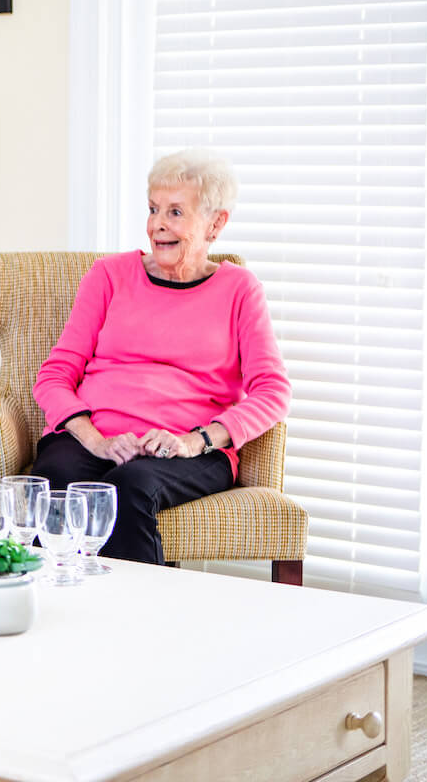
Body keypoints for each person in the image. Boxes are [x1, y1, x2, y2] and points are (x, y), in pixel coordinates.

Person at [30, 148, 291, 564]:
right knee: (55, 480)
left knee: (129, 486)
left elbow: (273, 391)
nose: (158, 226)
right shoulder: (109, 277)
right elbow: (55, 375)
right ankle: (50, 611)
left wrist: (197, 441)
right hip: (97, 434)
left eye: (175, 212)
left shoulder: (239, 289)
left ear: (216, 223)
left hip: (188, 449)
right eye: (153, 209)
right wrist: (96, 440)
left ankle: (139, 620)